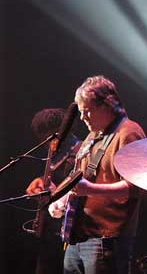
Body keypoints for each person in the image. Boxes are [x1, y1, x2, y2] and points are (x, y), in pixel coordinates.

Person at [47, 75, 146, 274]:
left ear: (106, 105)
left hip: (105, 240)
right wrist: (62, 198)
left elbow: (134, 188)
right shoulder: (94, 135)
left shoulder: (128, 133)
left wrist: (91, 190)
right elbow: (79, 177)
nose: (82, 118)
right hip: (77, 236)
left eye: (86, 111)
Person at [25, 108, 81, 274]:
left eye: (49, 136)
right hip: (49, 232)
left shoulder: (81, 152)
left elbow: (81, 192)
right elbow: (54, 182)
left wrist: (57, 194)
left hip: (70, 233)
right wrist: (41, 183)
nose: (47, 142)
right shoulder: (53, 154)